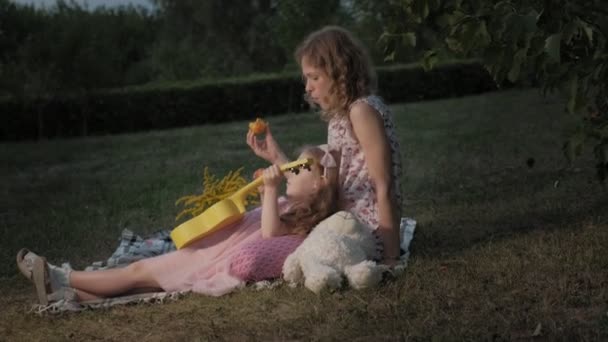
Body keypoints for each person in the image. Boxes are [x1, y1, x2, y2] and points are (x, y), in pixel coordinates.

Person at [16, 146, 339, 305]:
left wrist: (269, 191)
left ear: (317, 186)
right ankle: (64, 292)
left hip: (206, 260)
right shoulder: (291, 205)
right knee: (142, 282)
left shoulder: (299, 224)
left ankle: (61, 276)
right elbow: (283, 182)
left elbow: (270, 233)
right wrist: (273, 165)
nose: (288, 172)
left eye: (298, 170)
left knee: (139, 271)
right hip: (206, 250)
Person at [247, 26, 404, 266]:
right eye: (306, 78)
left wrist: (391, 255)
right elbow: (325, 176)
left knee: (272, 238)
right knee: (261, 223)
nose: (308, 87)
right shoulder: (340, 118)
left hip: (365, 230)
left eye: (314, 77)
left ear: (340, 74)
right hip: (340, 214)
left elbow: (384, 184)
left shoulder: (361, 111)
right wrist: (277, 156)